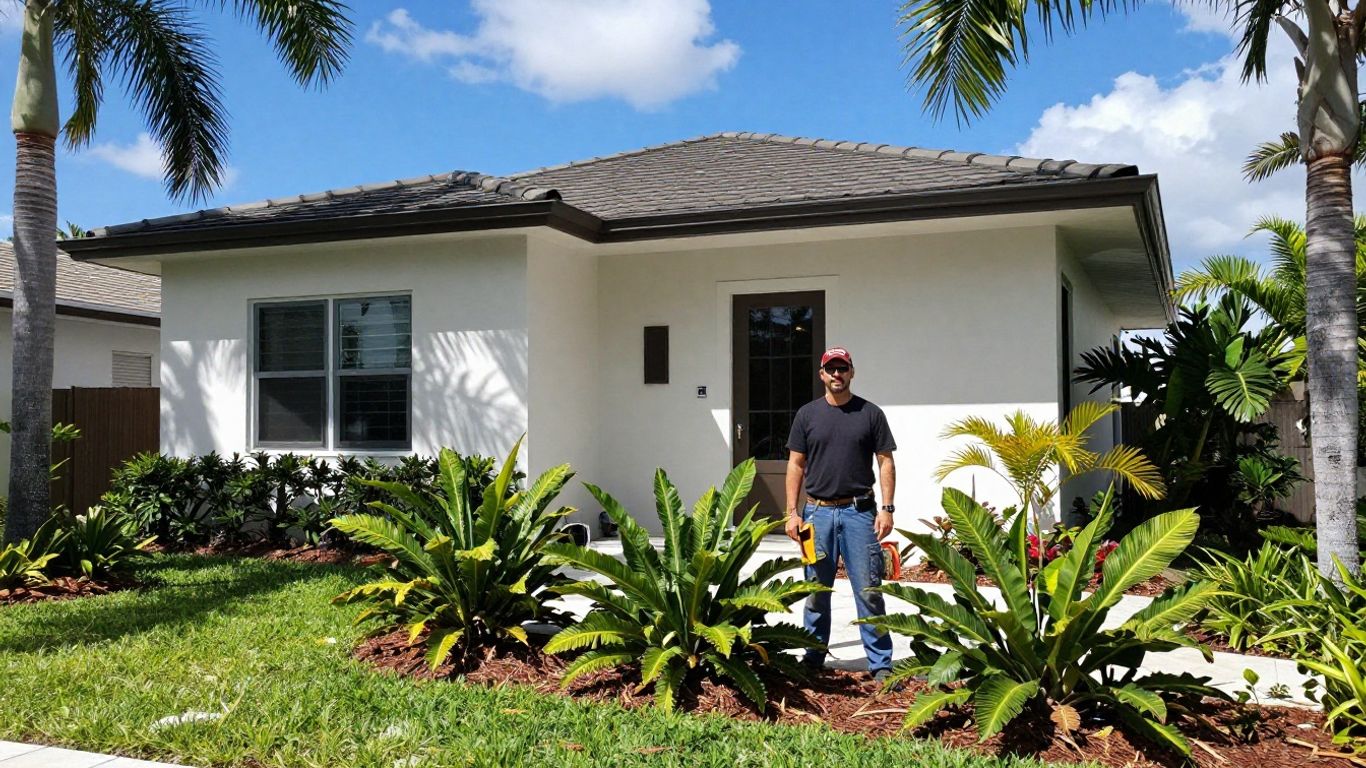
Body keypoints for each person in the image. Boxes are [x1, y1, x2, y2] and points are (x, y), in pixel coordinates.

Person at [784, 346, 897, 681]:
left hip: (860, 512)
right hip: (814, 516)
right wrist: (792, 513)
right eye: (830, 369)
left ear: (851, 372)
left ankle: (880, 665)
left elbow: (886, 461)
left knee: (869, 590)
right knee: (815, 591)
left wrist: (887, 509)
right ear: (821, 374)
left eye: (842, 368)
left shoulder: (871, 414)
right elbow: (795, 464)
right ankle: (813, 657)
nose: (837, 374)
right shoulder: (806, 415)